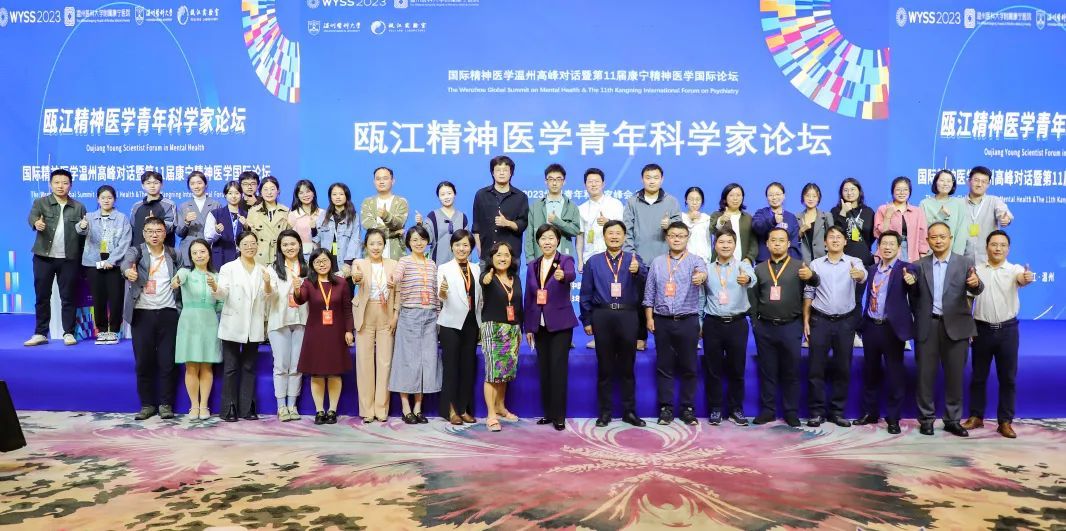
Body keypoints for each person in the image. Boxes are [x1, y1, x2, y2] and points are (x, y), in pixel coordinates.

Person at [913, 222, 984, 437]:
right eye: (934, 237)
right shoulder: (918, 265)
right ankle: (926, 419)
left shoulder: (965, 262)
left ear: (950, 238)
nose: (938, 241)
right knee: (924, 376)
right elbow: (913, 297)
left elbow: (977, 288)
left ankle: (952, 420)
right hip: (928, 326)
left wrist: (975, 283)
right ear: (927, 240)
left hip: (957, 326)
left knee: (955, 376)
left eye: (942, 236)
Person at [963, 230, 1034, 439]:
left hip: (1008, 331)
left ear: (1008, 249)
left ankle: (1005, 421)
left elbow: (1023, 279)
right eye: (994, 244)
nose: (998, 248)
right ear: (986, 247)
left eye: (1003, 245)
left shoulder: (1014, 269)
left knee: (1008, 378)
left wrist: (1026, 278)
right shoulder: (976, 270)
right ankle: (976, 416)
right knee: (978, 377)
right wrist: (967, 325)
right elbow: (968, 298)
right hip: (981, 330)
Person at [579, 220, 647, 427]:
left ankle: (629, 412)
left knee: (627, 367)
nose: (614, 236)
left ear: (624, 237)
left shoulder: (634, 259)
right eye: (610, 233)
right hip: (603, 315)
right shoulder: (593, 262)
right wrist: (587, 319)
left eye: (618, 233)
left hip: (628, 315)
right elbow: (585, 293)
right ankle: (605, 413)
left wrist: (638, 271)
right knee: (605, 367)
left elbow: (646, 284)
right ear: (604, 236)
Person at [751, 227, 818, 427]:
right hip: (765, 327)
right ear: (767, 244)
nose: (777, 243)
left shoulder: (800, 266)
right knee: (767, 371)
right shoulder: (759, 269)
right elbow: (753, 298)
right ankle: (768, 410)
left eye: (782, 240)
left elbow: (815, 283)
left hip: (791, 326)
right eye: (773, 240)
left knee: (791, 371)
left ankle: (791, 412)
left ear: (789, 244)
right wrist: (755, 323)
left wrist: (811, 275)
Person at [643, 221, 708, 426]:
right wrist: (649, 318)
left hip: (688, 320)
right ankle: (666, 409)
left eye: (681, 235)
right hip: (662, 320)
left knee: (689, 366)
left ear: (687, 238)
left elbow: (702, 273)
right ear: (667, 238)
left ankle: (688, 409)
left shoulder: (696, 261)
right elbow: (649, 293)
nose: (676, 239)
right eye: (672, 235)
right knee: (664, 366)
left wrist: (701, 277)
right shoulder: (657, 262)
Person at [853, 230, 917, 434]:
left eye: (892, 244)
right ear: (878, 247)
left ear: (899, 248)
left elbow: (914, 281)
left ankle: (893, 418)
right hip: (871, 326)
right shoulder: (872, 270)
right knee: (870, 372)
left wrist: (912, 280)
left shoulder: (906, 268)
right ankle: (869, 413)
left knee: (895, 375)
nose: (887, 247)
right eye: (884, 243)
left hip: (892, 329)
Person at [802, 226, 867, 427]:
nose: (835, 240)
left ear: (845, 242)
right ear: (825, 242)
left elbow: (863, 275)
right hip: (820, 320)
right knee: (815, 369)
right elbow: (809, 292)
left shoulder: (854, 262)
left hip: (845, 322)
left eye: (839, 237)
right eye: (831, 237)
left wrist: (858, 274)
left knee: (842, 369)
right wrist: (806, 319)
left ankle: (837, 412)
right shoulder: (816, 264)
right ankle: (816, 412)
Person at [121, 216, 181, 420]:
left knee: (167, 362)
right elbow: (126, 264)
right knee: (143, 362)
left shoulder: (173, 253)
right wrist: (128, 272)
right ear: (144, 233)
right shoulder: (136, 251)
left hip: (168, 313)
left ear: (165, 233)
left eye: (158, 231)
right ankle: (147, 405)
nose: (154, 235)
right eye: (150, 231)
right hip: (142, 313)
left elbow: (184, 273)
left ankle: (166, 404)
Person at [212, 230, 274, 422]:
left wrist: (267, 284)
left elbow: (268, 297)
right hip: (232, 322)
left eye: (253, 243)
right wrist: (214, 287)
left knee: (249, 366)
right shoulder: (228, 268)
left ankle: (247, 407)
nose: (250, 247)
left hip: (254, 323)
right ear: (238, 246)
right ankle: (229, 407)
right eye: (245, 243)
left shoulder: (263, 270)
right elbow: (222, 294)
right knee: (230, 367)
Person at [523, 224, 579, 431]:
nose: (547, 242)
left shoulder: (565, 260)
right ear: (538, 241)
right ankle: (548, 413)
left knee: (558, 370)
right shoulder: (533, 265)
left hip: (560, 325)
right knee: (544, 370)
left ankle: (559, 416)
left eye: (551, 238)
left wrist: (563, 276)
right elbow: (529, 298)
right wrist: (529, 327)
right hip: (539, 325)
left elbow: (571, 274)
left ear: (557, 241)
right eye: (543, 238)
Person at [623, 163, 681, 351]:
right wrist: (632, 256)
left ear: (662, 179)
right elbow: (627, 231)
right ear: (642, 179)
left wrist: (669, 225)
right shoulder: (632, 201)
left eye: (656, 177)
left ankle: (666, 338)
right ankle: (640, 337)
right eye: (648, 177)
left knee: (666, 300)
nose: (652, 181)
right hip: (639, 261)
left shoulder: (671, 202)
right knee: (639, 300)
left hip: (665, 260)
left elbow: (679, 231)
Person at [26, 169, 88, 347]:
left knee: (68, 297)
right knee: (42, 296)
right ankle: (40, 333)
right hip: (43, 257)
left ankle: (68, 332)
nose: (61, 186)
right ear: (50, 184)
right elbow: (32, 217)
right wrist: (36, 223)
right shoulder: (41, 202)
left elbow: (83, 236)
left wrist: (84, 229)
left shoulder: (79, 207)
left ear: (71, 185)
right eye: (57, 182)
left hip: (69, 258)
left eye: (65, 183)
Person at [701, 228, 756, 426]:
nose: (725, 245)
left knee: (737, 369)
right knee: (713, 369)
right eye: (721, 242)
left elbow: (752, 278)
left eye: (729, 242)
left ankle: (736, 409)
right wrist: (700, 323)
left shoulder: (743, 266)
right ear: (715, 245)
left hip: (737, 324)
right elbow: (701, 297)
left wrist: (747, 279)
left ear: (735, 245)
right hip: (713, 323)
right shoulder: (707, 269)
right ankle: (715, 408)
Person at [294, 248, 355, 425]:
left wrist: (349, 330)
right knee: (317, 374)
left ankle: (332, 410)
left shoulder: (341, 283)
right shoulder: (308, 283)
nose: (322, 264)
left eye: (325, 260)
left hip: (336, 333)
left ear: (331, 262)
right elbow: (300, 300)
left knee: (335, 373)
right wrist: (296, 289)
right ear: (312, 265)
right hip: (315, 333)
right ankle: (319, 410)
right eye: (317, 262)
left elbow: (347, 309)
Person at [388, 225, 442, 424]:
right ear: (409, 243)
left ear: (427, 241)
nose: (419, 243)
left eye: (422, 239)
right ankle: (406, 408)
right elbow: (397, 276)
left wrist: (438, 314)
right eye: (414, 240)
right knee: (407, 361)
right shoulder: (404, 261)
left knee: (426, 362)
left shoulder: (432, 264)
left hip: (430, 316)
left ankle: (418, 408)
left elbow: (436, 292)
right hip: (410, 314)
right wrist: (393, 279)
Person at [351, 229, 400, 423]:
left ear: (384, 245)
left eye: (379, 243)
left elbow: (399, 292)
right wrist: (356, 277)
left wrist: (396, 314)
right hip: (365, 314)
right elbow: (356, 277)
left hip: (386, 313)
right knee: (364, 363)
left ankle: (381, 409)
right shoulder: (359, 263)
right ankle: (367, 410)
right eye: (372, 243)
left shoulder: (393, 264)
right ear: (366, 246)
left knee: (385, 363)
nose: (376, 247)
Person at [171, 239, 223, 420]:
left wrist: (216, 290)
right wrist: (176, 281)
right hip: (189, 322)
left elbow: (221, 302)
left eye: (202, 252)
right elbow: (177, 281)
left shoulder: (217, 276)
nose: (199, 255)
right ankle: (193, 405)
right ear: (191, 257)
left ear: (209, 253)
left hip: (210, 322)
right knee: (191, 366)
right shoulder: (185, 272)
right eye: (195, 253)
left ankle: (204, 405)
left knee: (207, 366)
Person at [436, 230, 482, 424]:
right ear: (451, 247)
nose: (461, 248)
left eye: (465, 245)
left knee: (467, 368)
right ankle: (451, 410)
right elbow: (441, 296)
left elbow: (480, 298)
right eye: (457, 245)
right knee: (451, 368)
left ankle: (463, 409)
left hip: (471, 324)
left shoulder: (477, 269)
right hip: (451, 324)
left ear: (471, 248)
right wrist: (442, 292)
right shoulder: (444, 268)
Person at [78, 185, 131, 345]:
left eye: (109, 197)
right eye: (103, 198)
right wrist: (82, 226)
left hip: (115, 264)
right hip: (93, 263)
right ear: (98, 200)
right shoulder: (89, 217)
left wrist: (112, 260)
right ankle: (101, 330)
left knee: (116, 298)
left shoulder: (122, 218)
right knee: (98, 298)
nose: (106, 200)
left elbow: (125, 242)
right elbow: (80, 230)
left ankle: (114, 330)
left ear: (114, 199)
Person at [266, 230, 309, 422]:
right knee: (281, 366)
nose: (289, 247)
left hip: (302, 320)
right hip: (279, 321)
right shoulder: (273, 268)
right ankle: (281, 406)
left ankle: (293, 405)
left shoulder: (307, 268)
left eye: (292, 243)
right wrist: (267, 284)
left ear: (299, 244)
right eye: (285, 245)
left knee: (296, 366)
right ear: (280, 248)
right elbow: (269, 296)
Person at [480, 241, 523, 432]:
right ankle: (491, 415)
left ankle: (500, 407)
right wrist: (487, 277)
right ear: (492, 258)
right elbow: (484, 281)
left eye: (506, 255)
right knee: (492, 373)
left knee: (505, 372)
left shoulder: (516, 278)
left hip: (512, 330)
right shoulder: (487, 276)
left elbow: (519, 306)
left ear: (511, 258)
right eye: (498, 254)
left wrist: (520, 328)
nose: (502, 258)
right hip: (493, 329)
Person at [472, 155, 530, 261]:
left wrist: (507, 223)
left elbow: (523, 224)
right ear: (492, 173)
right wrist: (479, 249)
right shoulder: (481, 195)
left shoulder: (521, 197)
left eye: (505, 170)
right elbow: (476, 225)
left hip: (511, 256)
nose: (501, 173)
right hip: (487, 254)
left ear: (511, 173)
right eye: (498, 170)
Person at [525, 163, 581, 261]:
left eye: (558, 179)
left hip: (563, 258)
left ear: (564, 182)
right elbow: (529, 236)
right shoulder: (535, 206)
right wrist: (530, 260)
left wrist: (557, 221)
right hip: (540, 258)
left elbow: (575, 231)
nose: (554, 183)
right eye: (551, 179)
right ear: (546, 181)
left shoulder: (572, 206)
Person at [576, 168, 624, 273]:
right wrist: (580, 261)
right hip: (589, 258)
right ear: (585, 185)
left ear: (603, 184)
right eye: (590, 182)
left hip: (613, 258)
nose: (593, 185)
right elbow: (580, 237)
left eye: (597, 181)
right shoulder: (581, 209)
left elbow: (623, 231)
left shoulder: (615, 204)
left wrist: (609, 222)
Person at [962, 166, 1013, 262]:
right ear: (968, 182)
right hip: (963, 260)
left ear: (988, 185)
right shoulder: (959, 203)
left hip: (988, 261)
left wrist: (1006, 219)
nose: (979, 184)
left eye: (984, 181)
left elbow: (1003, 213)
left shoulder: (994, 201)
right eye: (976, 180)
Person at [874, 176, 929, 262]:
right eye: (898, 189)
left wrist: (923, 254)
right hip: (889, 254)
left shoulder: (917, 211)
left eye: (905, 189)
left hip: (912, 254)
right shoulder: (883, 209)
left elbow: (922, 236)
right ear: (892, 191)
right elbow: (879, 234)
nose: (902, 192)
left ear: (910, 191)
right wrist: (888, 216)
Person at [361, 167, 410, 260]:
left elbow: (399, 224)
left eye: (385, 178)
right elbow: (368, 225)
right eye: (378, 179)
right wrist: (394, 233)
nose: (381, 182)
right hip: (372, 253)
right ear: (374, 182)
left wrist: (386, 216)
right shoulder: (367, 202)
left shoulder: (401, 202)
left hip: (396, 253)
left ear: (393, 181)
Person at [176, 171, 221, 268]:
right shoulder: (184, 206)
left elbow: (219, 231)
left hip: (208, 249)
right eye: (192, 184)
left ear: (206, 184)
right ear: (189, 187)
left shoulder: (215, 205)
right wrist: (186, 222)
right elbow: (179, 233)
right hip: (189, 251)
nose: (196, 186)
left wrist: (217, 229)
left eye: (199, 183)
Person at [418, 181, 469, 265]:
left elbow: (467, 242)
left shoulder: (462, 217)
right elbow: (428, 239)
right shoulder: (432, 216)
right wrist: (420, 224)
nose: (446, 197)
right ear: (438, 197)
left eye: (449, 193)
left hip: (460, 263)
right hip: (438, 263)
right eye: (442, 194)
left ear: (454, 194)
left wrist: (468, 262)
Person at [316, 183, 362, 277]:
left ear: (346, 196)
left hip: (345, 262)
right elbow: (317, 239)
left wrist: (347, 264)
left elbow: (355, 240)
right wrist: (313, 229)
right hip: (326, 261)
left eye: (341, 194)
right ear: (330, 197)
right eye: (334, 194)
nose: (338, 197)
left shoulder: (353, 216)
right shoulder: (323, 215)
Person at [919, 169, 967, 255]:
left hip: (952, 255)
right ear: (936, 182)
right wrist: (940, 216)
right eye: (942, 180)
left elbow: (961, 233)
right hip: (930, 254)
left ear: (952, 184)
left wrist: (956, 256)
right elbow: (923, 231)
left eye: (949, 181)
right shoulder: (925, 203)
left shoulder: (959, 203)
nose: (945, 184)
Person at [245, 176, 291, 265]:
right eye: (265, 189)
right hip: (259, 258)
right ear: (260, 192)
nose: (269, 192)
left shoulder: (286, 211)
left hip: (280, 257)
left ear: (278, 191)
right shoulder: (253, 212)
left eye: (272, 189)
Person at [708, 183, 757, 264]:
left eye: (738, 195)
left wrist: (749, 258)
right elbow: (712, 230)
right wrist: (721, 220)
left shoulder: (748, 218)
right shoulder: (717, 215)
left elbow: (753, 242)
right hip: (720, 264)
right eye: (731, 195)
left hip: (742, 263)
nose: (735, 198)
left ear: (742, 197)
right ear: (725, 198)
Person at [752, 182, 801, 262]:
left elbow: (794, 243)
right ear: (767, 197)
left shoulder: (791, 217)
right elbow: (757, 227)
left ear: (784, 196)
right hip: (764, 262)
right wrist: (773, 220)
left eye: (778, 194)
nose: (774, 197)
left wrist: (792, 263)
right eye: (771, 195)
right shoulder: (761, 213)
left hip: (786, 263)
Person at [204, 181, 248, 267]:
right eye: (230, 193)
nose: (233, 196)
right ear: (225, 195)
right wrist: (216, 231)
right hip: (221, 256)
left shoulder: (246, 214)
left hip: (241, 257)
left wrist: (246, 227)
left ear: (242, 195)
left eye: (237, 193)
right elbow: (207, 237)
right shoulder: (215, 213)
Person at [130, 170, 177, 248]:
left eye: (156, 183)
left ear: (161, 184)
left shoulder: (169, 205)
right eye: (148, 183)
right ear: (143, 186)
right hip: (139, 250)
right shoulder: (136, 206)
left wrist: (155, 222)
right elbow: (132, 229)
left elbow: (172, 227)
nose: (152, 186)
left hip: (162, 251)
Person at [796, 182, 835, 264]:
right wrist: (800, 232)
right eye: (807, 195)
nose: (811, 199)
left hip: (823, 260)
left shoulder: (826, 216)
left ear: (818, 198)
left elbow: (832, 238)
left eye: (814, 196)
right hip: (803, 262)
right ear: (803, 197)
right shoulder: (797, 217)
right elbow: (792, 241)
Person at [287, 179, 324, 258]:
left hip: (320, 256)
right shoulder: (293, 215)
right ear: (297, 196)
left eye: (308, 191)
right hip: (300, 256)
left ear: (313, 193)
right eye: (301, 193)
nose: (305, 195)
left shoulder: (322, 213)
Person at [681, 186, 713, 263]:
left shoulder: (707, 219)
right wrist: (689, 220)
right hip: (684, 260)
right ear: (686, 200)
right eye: (691, 199)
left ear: (702, 201)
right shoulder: (681, 218)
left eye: (698, 199)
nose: (694, 203)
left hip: (704, 260)